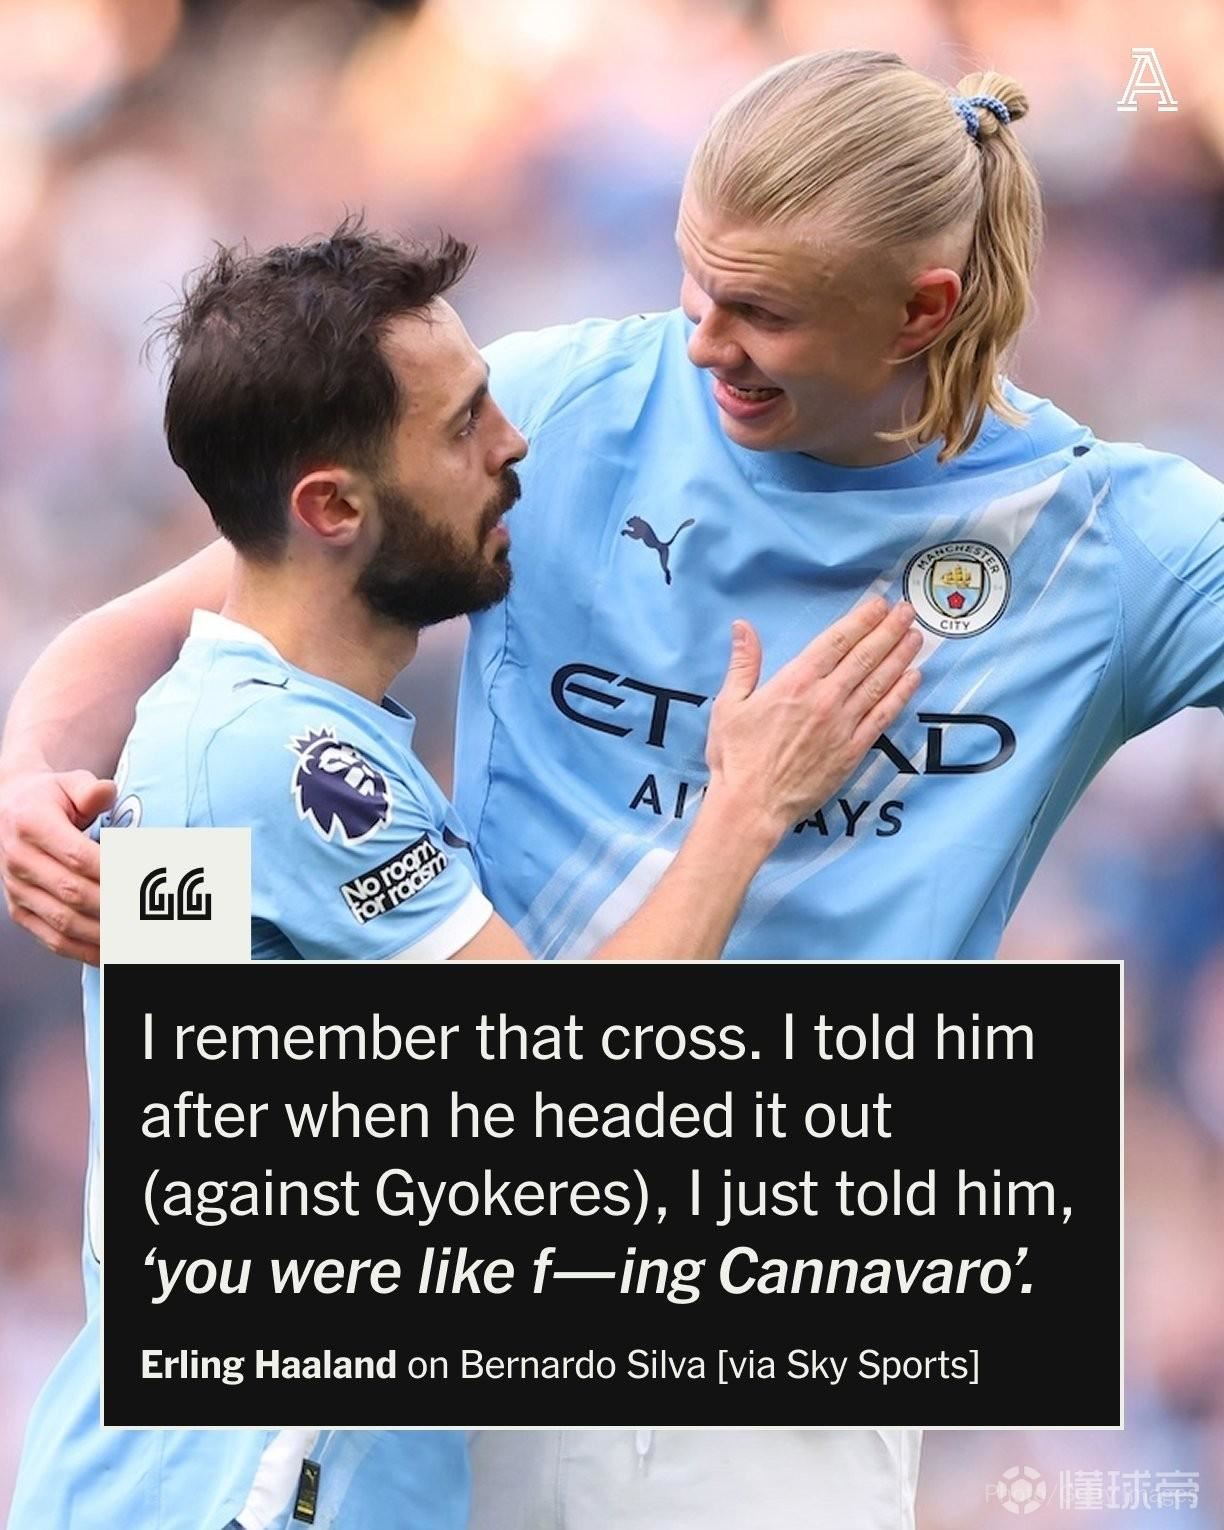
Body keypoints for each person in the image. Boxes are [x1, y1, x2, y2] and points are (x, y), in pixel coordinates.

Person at [7, 43, 1222, 1530]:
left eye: (762, 310)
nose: (703, 341)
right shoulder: (548, 422)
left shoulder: (1107, 540)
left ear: (923, 309)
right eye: (694, 280)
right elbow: (198, 626)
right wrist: (27, 778)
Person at [3, 219, 918, 1530]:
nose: (514, 444)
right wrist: (751, 801)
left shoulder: (226, 733)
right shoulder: (287, 760)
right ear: (332, 509)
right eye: (463, 426)